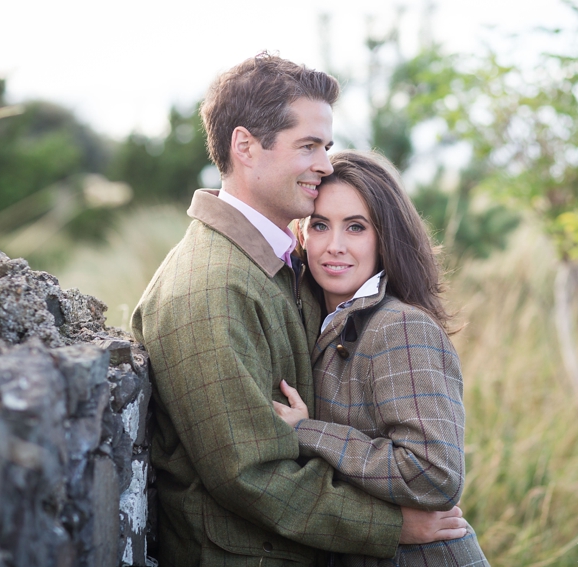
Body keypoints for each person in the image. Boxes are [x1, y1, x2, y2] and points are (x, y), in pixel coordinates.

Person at [131, 53, 468, 567]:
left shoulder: (280, 267)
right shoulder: (210, 287)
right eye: (307, 146)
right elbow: (250, 474)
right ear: (245, 146)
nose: (325, 165)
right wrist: (391, 526)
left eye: (326, 147)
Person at [273, 149, 490, 566]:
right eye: (321, 225)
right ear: (302, 234)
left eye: (356, 227)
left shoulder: (400, 327)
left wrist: (309, 432)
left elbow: (434, 475)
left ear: (384, 236)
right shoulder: (321, 319)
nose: (334, 246)